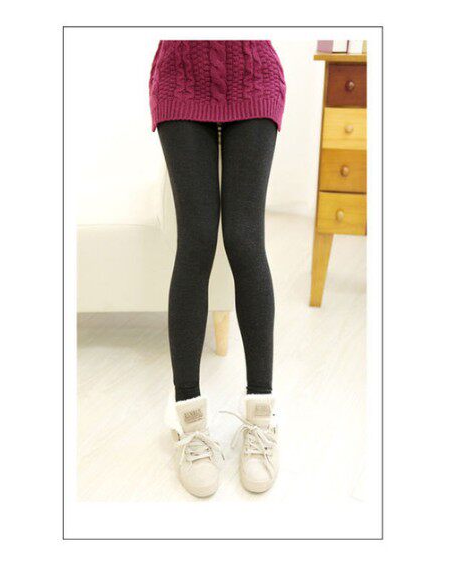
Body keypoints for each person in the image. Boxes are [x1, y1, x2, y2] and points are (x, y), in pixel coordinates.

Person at [149, 40, 286, 497]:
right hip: (181, 73)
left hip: (253, 72)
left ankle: (261, 419)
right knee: (196, 241)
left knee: (245, 240)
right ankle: (190, 424)